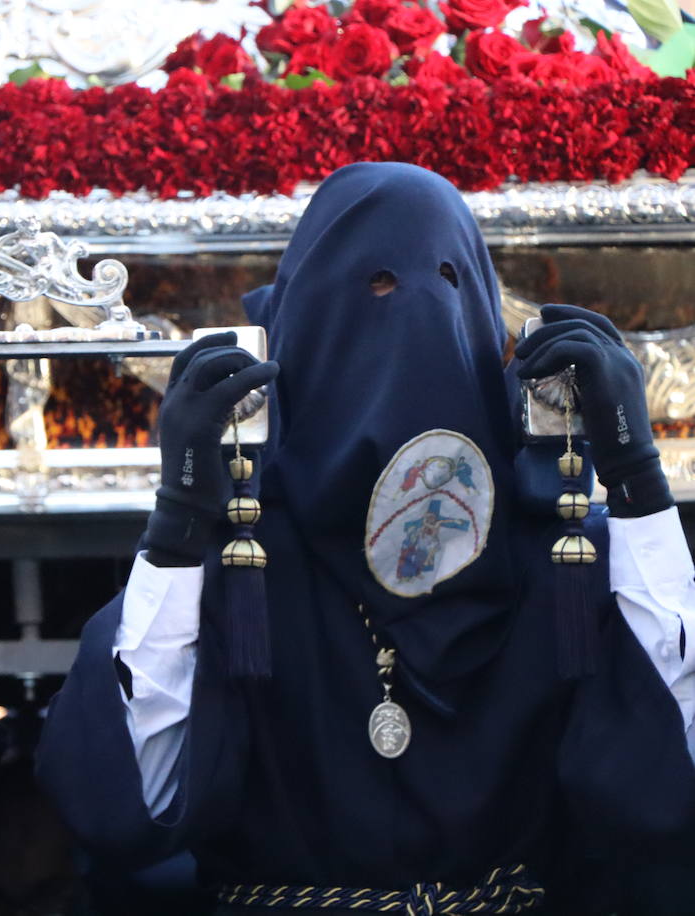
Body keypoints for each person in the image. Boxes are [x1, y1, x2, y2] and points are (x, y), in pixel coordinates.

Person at [36, 162, 695, 913]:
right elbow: (129, 802)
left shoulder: (563, 558)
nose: (415, 313)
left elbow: (671, 776)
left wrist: (638, 482)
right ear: (308, 322)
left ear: (481, 319)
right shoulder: (239, 561)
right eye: (376, 285)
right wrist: (178, 522)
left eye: (448, 280)